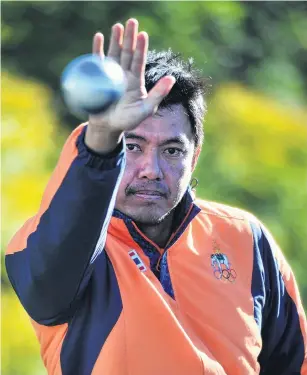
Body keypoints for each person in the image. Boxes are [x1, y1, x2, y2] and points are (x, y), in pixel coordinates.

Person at [5, 18, 307, 375]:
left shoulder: (245, 237)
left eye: (172, 151)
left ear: (195, 157)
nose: (151, 169)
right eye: (132, 145)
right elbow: (49, 281)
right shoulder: (56, 248)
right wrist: (102, 136)